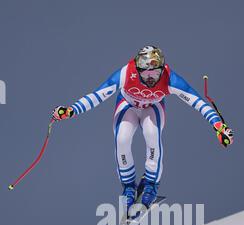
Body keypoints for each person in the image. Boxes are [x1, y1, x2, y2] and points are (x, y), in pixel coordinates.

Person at [52, 45, 233, 210]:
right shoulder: (126, 73)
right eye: (146, 74)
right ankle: (129, 187)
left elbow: (197, 101)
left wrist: (218, 126)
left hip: (152, 108)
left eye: (155, 74)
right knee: (122, 139)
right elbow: (98, 95)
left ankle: (151, 185)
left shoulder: (170, 78)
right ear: (138, 70)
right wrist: (71, 110)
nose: (151, 78)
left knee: (152, 134)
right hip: (127, 106)